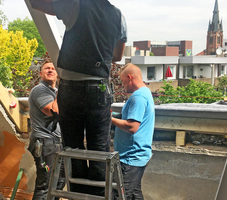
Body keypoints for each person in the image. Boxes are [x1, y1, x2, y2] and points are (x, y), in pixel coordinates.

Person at [29, 0, 127, 196]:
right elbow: (117, 55)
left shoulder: (76, 5)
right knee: (99, 150)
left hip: (72, 88)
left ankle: (79, 196)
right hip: (99, 89)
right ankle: (97, 196)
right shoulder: (118, 16)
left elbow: (36, 3)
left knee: (73, 148)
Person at [112, 63, 155, 200]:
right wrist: (116, 117)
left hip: (131, 157)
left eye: (123, 80)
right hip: (136, 155)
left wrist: (109, 119)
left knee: (121, 195)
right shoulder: (145, 92)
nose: (122, 84)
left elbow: (132, 127)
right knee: (135, 194)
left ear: (129, 77)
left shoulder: (138, 97)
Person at [28, 60, 65, 200]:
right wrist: (62, 89)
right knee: (46, 184)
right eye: (46, 68)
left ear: (57, 74)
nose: (50, 70)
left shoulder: (54, 91)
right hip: (44, 143)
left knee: (60, 180)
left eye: (53, 69)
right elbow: (53, 111)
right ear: (40, 73)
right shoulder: (40, 90)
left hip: (55, 143)